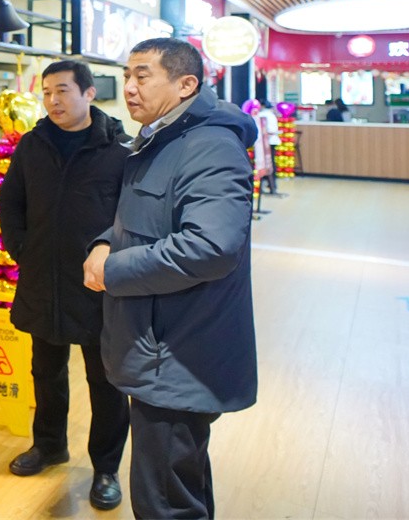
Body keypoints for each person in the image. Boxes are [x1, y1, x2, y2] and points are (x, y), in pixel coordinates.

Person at [83, 39, 258, 519]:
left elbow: (210, 247)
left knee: (164, 500)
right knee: (179, 483)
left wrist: (113, 269)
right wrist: (104, 242)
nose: (129, 87)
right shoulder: (159, 139)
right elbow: (146, 222)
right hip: (156, 345)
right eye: (127, 75)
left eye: (142, 76)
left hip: (179, 351)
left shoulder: (209, 146)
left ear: (186, 85)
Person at [0, 59, 132, 511]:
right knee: (46, 371)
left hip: (97, 285)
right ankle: (49, 445)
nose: (53, 100)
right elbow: (10, 202)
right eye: (47, 92)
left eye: (63, 91)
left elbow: (130, 216)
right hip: (43, 279)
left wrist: (112, 256)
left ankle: (106, 468)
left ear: (89, 93)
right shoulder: (32, 145)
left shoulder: (118, 149)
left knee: (106, 381)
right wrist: (23, 249)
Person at [258, 100, 281, 193]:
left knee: (265, 164)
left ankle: (269, 185)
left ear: (262, 105)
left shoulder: (262, 115)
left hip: (266, 143)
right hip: (273, 141)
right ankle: (272, 185)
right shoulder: (271, 115)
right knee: (271, 164)